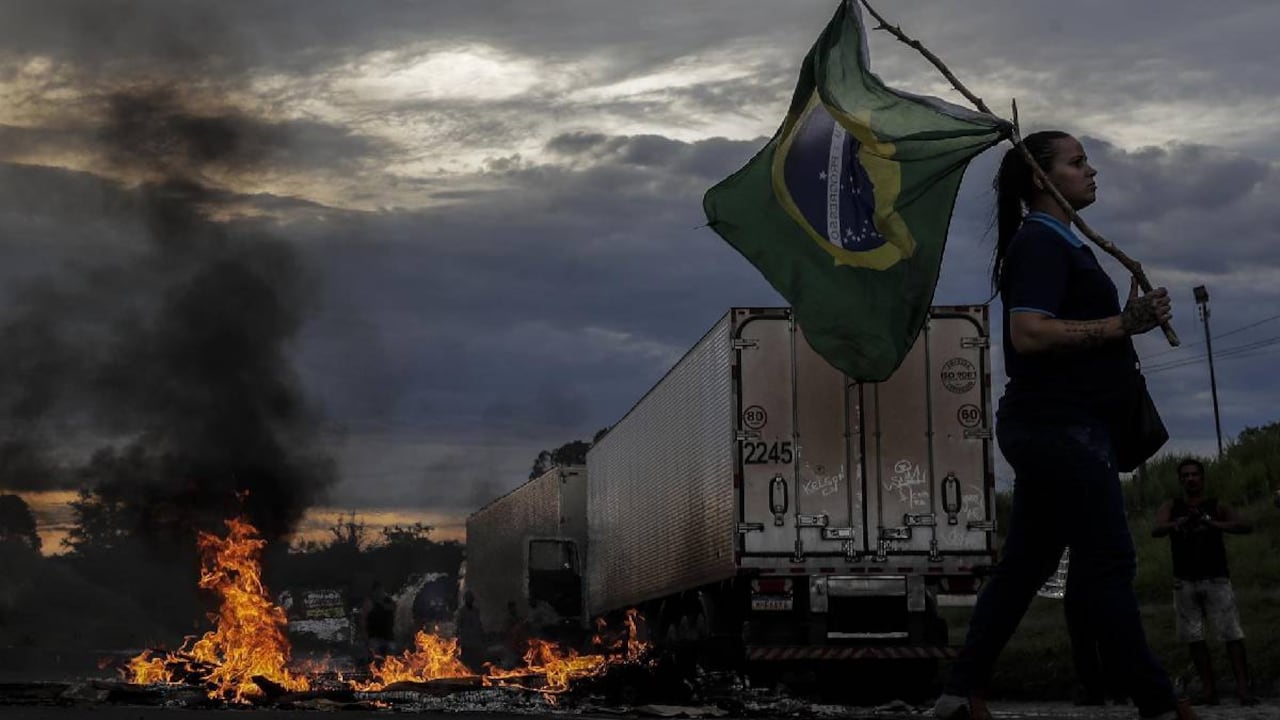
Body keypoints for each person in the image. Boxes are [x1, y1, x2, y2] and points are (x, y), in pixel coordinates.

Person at [933, 131, 1190, 720]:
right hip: (1061, 428)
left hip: (1056, 427)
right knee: (1110, 563)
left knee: (1026, 564)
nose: (1091, 171)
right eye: (1077, 163)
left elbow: (1083, 325)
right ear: (1041, 179)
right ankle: (1158, 702)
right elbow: (1029, 332)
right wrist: (1122, 325)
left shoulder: (1063, 243)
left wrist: (1133, 318)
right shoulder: (1040, 245)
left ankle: (957, 693)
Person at [1152, 459, 1257, 706]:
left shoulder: (1216, 505)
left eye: (1195, 475)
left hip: (1216, 578)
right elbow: (1156, 529)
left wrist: (1212, 523)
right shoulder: (1173, 506)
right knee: (1194, 638)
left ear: (1203, 478)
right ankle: (1208, 689)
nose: (1190, 479)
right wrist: (1177, 524)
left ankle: (1243, 687)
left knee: (1231, 634)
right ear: (1180, 480)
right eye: (1186, 475)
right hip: (1184, 580)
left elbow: (1245, 525)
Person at [362, 580, 397, 660]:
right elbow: (363, 620)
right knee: (376, 660)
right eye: (378, 591)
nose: (380, 593)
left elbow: (393, 607)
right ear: (374, 592)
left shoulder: (388, 600)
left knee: (391, 660)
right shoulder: (369, 602)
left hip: (389, 638)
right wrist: (365, 637)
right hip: (375, 638)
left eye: (381, 591)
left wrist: (381, 602)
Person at [454, 589, 486, 672]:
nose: (470, 600)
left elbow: (479, 624)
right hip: (466, 640)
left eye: (471, 598)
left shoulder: (476, 611)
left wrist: (482, 634)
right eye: (468, 598)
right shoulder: (462, 612)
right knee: (466, 660)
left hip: (475, 640)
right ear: (465, 600)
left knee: (476, 659)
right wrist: (457, 638)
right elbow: (458, 625)